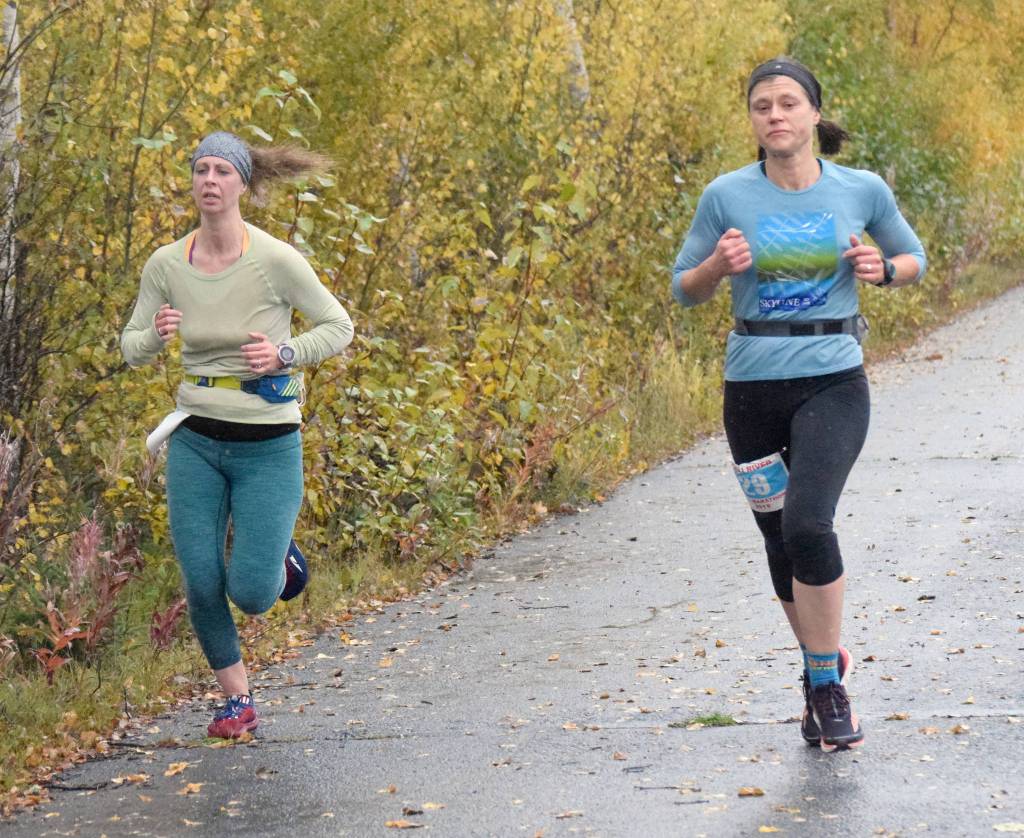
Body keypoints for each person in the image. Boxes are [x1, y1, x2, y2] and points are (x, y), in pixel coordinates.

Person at [671, 57, 925, 751]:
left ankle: (825, 687)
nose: (775, 115)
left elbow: (913, 258)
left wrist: (883, 269)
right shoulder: (726, 195)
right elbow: (684, 287)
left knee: (808, 523)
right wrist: (716, 268)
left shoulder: (860, 188)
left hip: (832, 380)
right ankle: (822, 666)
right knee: (778, 539)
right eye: (762, 106)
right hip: (750, 388)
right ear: (752, 120)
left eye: (788, 103)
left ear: (814, 113)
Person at [121, 131, 354, 738]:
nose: (210, 180)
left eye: (222, 171)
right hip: (194, 439)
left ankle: (280, 559)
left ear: (243, 185)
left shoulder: (275, 259)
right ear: (192, 181)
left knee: (251, 593)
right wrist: (156, 336)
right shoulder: (167, 264)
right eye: (201, 169)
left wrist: (284, 353)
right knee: (201, 581)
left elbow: (338, 326)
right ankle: (237, 701)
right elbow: (131, 347)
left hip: (268, 443)